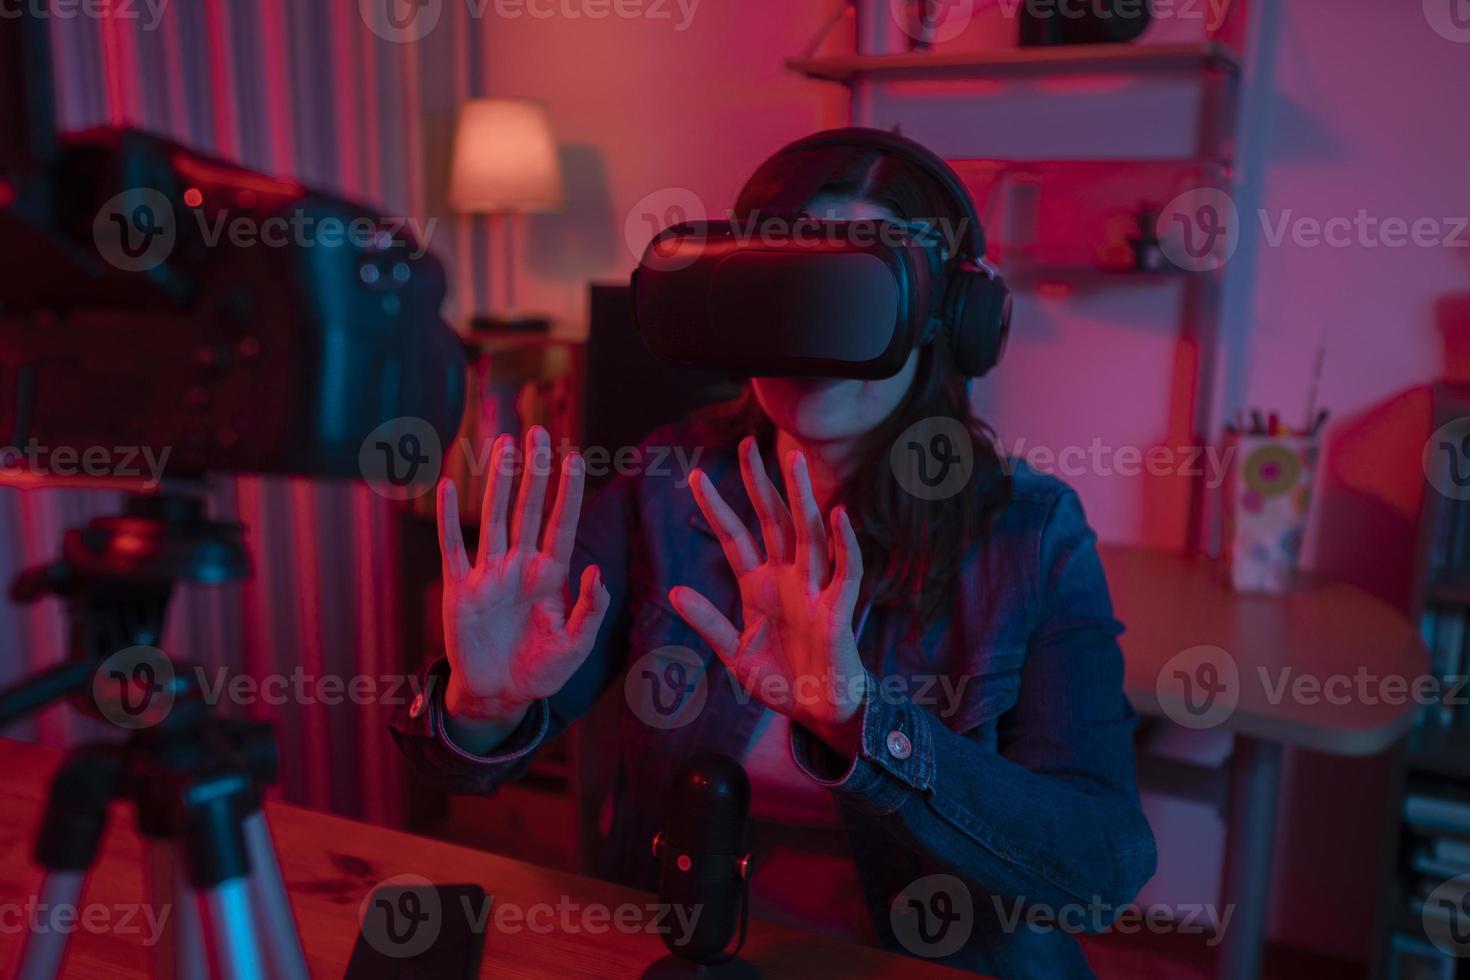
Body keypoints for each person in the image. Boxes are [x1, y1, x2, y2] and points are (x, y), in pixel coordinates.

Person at [391, 131, 1156, 977]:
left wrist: (861, 723)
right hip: (696, 954)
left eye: (855, 293)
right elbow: (458, 773)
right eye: (788, 288)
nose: (812, 337)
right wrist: (481, 706)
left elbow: (1101, 870)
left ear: (949, 320)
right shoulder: (665, 486)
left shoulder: (1032, 536)